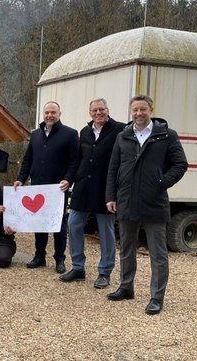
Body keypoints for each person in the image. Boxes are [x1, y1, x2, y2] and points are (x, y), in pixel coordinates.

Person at [105, 95, 187, 315]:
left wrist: (161, 182)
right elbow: (113, 168)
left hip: (154, 202)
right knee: (126, 249)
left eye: (143, 109)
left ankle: (156, 297)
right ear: (130, 112)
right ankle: (125, 287)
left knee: (158, 254)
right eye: (135, 110)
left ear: (151, 109)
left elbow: (180, 164)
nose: (139, 114)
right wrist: (110, 197)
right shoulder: (124, 136)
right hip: (126, 200)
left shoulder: (166, 136)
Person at [59, 98, 124, 288]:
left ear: (107, 110)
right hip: (82, 188)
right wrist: (70, 179)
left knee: (106, 232)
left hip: (105, 189)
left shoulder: (119, 130)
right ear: (90, 113)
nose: (98, 113)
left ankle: (105, 272)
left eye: (101, 109)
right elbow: (78, 159)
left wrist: (117, 190)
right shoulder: (85, 132)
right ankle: (78, 267)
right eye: (94, 110)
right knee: (73, 224)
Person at [13, 101, 78, 273]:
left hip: (58, 188)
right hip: (38, 186)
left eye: (53, 112)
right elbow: (28, 159)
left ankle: (59, 259)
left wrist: (68, 179)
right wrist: (21, 179)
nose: (49, 115)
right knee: (39, 223)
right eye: (47, 112)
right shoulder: (35, 135)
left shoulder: (70, 134)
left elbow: (74, 161)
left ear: (59, 114)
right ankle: (39, 256)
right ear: (43, 114)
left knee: (58, 225)